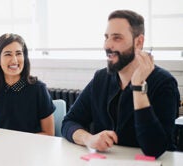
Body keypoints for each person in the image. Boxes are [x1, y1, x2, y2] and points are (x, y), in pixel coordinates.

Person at [61, 10, 180, 158]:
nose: (108, 45)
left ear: (138, 42)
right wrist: (89, 139)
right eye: (106, 37)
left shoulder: (164, 83)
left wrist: (138, 87)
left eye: (117, 38)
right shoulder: (101, 78)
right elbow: (69, 122)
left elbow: (154, 149)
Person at [0, 33, 55, 136]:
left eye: (18, 53)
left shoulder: (38, 89)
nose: (14, 60)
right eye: (8, 54)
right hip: (3, 148)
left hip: (34, 148)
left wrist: (17, 143)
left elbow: (49, 134)